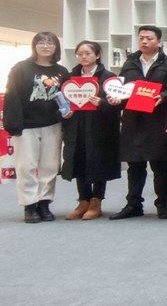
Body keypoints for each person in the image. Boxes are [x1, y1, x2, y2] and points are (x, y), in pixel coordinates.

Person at [109, 26, 167, 220]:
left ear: (159, 41)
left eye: (149, 38)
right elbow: (124, 89)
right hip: (133, 120)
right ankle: (133, 204)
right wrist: (116, 99)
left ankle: (163, 204)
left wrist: (163, 95)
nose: (144, 41)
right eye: (141, 38)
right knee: (134, 164)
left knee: (159, 163)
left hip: (158, 119)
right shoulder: (130, 63)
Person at [4, 32, 70, 223]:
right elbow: (12, 96)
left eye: (50, 43)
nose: (46, 46)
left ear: (56, 47)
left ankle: (44, 203)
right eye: (41, 42)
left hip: (53, 124)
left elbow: (67, 97)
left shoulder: (61, 71)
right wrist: (13, 124)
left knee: (50, 166)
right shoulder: (21, 68)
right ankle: (30, 205)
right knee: (27, 166)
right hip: (26, 125)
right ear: (35, 46)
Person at [61, 41, 121, 220]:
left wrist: (102, 103)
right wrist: (65, 111)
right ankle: (83, 201)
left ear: (97, 55)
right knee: (79, 160)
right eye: (80, 54)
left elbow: (118, 104)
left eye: (87, 53)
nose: (83, 57)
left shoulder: (109, 78)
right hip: (77, 126)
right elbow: (61, 100)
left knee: (99, 161)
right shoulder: (70, 77)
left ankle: (96, 201)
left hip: (100, 128)